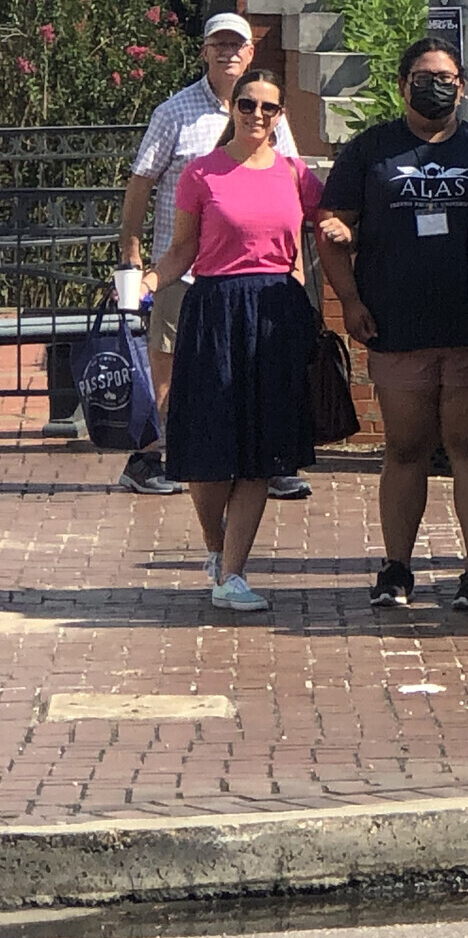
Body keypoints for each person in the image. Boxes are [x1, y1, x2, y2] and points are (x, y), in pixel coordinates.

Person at [318, 37, 468, 612]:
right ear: (403, 84)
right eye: (426, 76)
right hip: (395, 326)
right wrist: (350, 301)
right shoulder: (371, 150)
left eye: (449, 77)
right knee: (405, 448)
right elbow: (333, 229)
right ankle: (396, 568)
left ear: (463, 86)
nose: (438, 85)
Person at [149, 72, 325, 612]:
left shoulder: (297, 174)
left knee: (259, 449)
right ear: (235, 108)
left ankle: (232, 573)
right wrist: (150, 283)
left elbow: (332, 222)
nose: (257, 114)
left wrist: (339, 230)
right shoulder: (201, 173)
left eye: (269, 108)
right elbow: (183, 248)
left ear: (280, 116)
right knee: (207, 446)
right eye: (247, 104)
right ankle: (214, 545)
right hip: (216, 308)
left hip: (275, 312)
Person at [117, 12, 302, 499]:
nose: (228, 53)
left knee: (248, 371)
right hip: (184, 266)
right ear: (203, 51)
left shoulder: (269, 114)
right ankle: (151, 457)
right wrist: (132, 252)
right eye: (218, 44)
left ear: (250, 53)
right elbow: (141, 181)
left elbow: (293, 186)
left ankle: (263, 459)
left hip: (254, 273)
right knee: (172, 368)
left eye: (236, 45)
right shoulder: (174, 112)